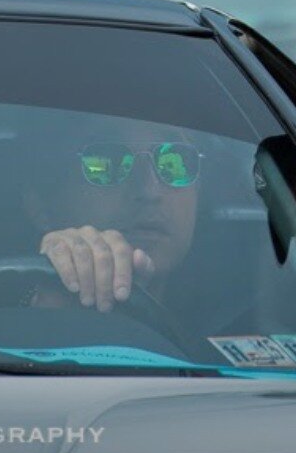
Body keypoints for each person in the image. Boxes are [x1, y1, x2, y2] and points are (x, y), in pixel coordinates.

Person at [21, 118, 200, 314]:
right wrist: (46, 311)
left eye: (174, 162)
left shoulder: (233, 321)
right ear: (42, 207)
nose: (149, 191)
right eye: (107, 163)